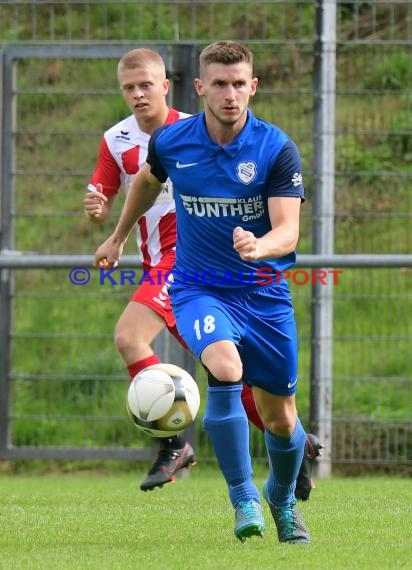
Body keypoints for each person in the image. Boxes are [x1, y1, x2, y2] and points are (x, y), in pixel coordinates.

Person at [93, 41, 319, 543]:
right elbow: (147, 182)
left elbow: (289, 230)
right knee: (223, 366)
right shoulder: (174, 141)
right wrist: (118, 235)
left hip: (264, 296)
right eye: (220, 83)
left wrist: (260, 246)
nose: (230, 94)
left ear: (253, 86)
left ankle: (280, 499)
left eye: (240, 83)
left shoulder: (276, 148)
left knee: (281, 420)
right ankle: (242, 497)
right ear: (200, 88)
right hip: (197, 288)